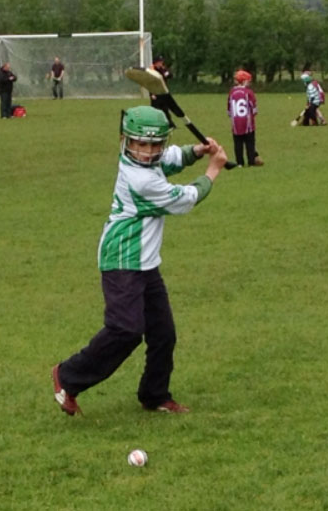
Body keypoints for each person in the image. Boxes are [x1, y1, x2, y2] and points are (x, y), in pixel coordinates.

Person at [52, 105, 228, 416]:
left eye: (154, 144)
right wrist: (212, 170)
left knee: (163, 333)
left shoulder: (150, 160)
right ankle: (67, 376)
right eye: (140, 144)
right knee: (126, 329)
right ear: (126, 141)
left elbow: (170, 158)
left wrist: (197, 150)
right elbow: (184, 199)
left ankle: (155, 394)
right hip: (122, 259)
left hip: (145, 262)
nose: (147, 152)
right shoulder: (140, 180)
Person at [227, 70, 263, 167]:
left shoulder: (232, 92)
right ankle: (251, 162)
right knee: (250, 143)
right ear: (243, 81)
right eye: (248, 81)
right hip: (248, 123)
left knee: (238, 144)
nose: (249, 83)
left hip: (235, 124)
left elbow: (229, 110)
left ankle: (239, 163)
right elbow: (254, 109)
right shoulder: (249, 93)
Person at [149, 55, 177, 126]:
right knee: (155, 110)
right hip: (155, 92)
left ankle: (170, 124)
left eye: (161, 62)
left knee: (165, 109)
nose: (161, 63)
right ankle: (154, 124)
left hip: (163, 92)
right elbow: (149, 83)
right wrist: (151, 94)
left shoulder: (163, 69)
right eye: (159, 62)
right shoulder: (152, 70)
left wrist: (167, 73)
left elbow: (170, 75)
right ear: (155, 63)